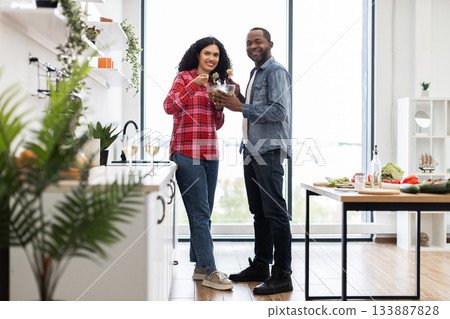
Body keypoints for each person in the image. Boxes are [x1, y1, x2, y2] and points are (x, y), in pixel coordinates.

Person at [212, 27, 293, 295]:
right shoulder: (254, 73)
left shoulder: (276, 71)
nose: (252, 46)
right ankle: (261, 265)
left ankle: (283, 274)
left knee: (275, 213)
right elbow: (258, 108)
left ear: (270, 43)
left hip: (268, 150)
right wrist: (240, 98)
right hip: (251, 150)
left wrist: (241, 106)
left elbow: (279, 111)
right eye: (248, 43)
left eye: (257, 41)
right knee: (259, 212)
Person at [163, 37, 233, 291]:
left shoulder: (216, 83)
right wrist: (193, 85)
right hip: (185, 152)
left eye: (216, 55)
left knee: (204, 212)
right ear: (197, 55)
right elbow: (169, 106)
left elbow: (216, 124)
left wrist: (219, 107)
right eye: (207, 53)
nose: (212, 58)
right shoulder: (184, 77)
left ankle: (200, 266)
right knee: (200, 213)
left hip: (209, 154)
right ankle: (211, 271)